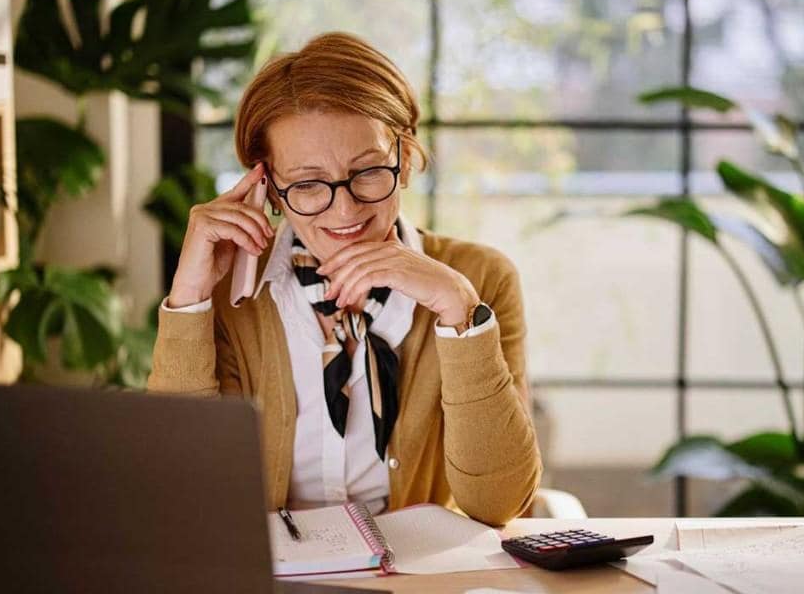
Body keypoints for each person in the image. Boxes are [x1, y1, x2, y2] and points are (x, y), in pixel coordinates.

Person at [148, 32, 540, 526]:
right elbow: (181, 494)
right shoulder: (231, 292)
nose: (346, 208)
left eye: (369, 171)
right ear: (267, 187)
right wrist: (188, 301)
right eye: (309, 184)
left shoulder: (482, 278)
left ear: (406, 159)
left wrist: (459, 308)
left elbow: (501, 503)